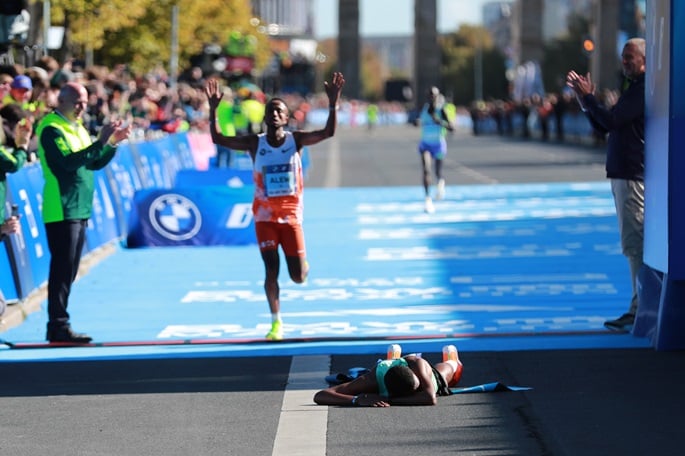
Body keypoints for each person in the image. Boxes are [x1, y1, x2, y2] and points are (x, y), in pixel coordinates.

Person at [205, 72, 345, 341]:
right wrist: (213, 112)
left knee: (298, 277)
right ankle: (275, 323)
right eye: (270, 111)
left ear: (287, 117)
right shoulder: (255, 143)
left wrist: (332, 104)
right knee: (271, 271)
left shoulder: (297, 140)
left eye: (279, 110)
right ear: (265, 117)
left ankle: (303, 265)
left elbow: (328, 132)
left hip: (291, 218)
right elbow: (219, 139)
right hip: (265, 218)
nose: (274, 114)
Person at [37, 82, 131, 343]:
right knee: (62, 269)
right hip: (62, 207)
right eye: (77, 102)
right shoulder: (51, 128)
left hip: (80, 206)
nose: (82, 108)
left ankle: (60, 322)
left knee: (70, 269)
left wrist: (111, 143)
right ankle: (57, 324)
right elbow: (68, 163)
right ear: (61, 99)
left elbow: (95, 161)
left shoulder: (77, 128)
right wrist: (100, 140)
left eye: (85, 103)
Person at [566, 37, 645, 332]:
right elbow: (605, 126)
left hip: (631, 175)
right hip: (626, 174)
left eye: (631, 56)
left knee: (634, 243)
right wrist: (585, 101)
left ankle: (639, 309)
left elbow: (611, 122)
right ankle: (640, 306)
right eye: (624, 56)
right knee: (633, 242)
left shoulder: (641, 90)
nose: (625, 61)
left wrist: (589, 99)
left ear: (646, 61)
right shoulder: (633, 88)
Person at [313, 344, 463, 407]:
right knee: (384, 365)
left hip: (426, 374)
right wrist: (356, 400)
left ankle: (452, 359)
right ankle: (392, 357)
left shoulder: (418, 365)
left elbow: (430, 398)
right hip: (386, 370)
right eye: (414, 392)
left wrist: (388, 400)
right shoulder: (371, 380)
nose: (418, 393)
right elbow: (320, 395)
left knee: (449, 372)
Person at [415, 86, 454, 213]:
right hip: (425, 143)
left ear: (437, 96)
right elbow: (421, 120)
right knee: (426, 170)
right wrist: (417, 122)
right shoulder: (425, 109)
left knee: (437, 171)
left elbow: (452, 127)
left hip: (438, 144)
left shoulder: (441, 110)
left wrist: (440, 122)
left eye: (434, 95)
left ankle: (440, 183)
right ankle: (427, 199)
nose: (432, 97)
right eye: (430, 95)